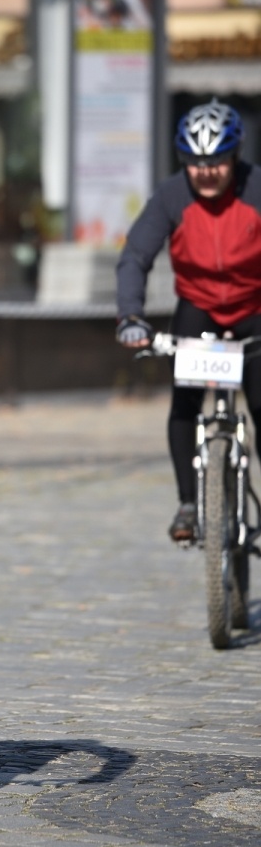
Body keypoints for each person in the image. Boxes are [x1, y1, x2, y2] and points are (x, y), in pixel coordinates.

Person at [115, 97, 261, 542]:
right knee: (184, 403)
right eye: (196, 162)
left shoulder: (256, 189)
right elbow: (136, 256)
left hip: (254, 307)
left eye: (216, 161)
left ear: (233, 157)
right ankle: (187, 504)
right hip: (197, 307)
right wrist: (130, 316)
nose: (206, 171)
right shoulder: (172, 196)